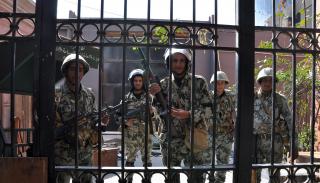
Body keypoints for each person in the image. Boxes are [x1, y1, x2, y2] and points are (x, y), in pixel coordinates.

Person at [149, 46, 212, 183]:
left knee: (197, 178)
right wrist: (154, 96)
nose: (178, 64)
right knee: (171, 179)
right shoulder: (163, 85)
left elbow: (208, 110)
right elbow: (157, 112)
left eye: (182, 61)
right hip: (170, 140)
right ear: (169, 62)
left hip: (194, 138)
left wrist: (189, 114)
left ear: (187, 63)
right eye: (174, 60)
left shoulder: (199, 82)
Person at [54, 54, 108, 183]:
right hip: (64, 152)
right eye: (73, 69)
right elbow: (49, 122)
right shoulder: (56, 93)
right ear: (66, 71)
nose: (77, 73)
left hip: (85, 152)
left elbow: (93, 119)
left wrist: (101, 123)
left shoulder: (89, 94)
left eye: (80, 70)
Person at [253, 67, 298, 182]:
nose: (267, 83)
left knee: (274, 175)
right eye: (265, 80)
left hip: (274, 142)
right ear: (260, 81)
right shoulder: (252, 98)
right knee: (253, 175)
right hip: (255, 140)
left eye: (270, 80)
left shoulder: (280, 99)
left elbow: (290, 121)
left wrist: (293, 145)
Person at [122, 69, 160, 183]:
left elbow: (157, 117)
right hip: (131, 135)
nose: (138, 83)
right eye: (135, 80)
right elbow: (119, 117)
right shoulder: (126, 99)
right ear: (132, 82)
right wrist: (125, 123)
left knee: (147, 160)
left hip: (146, 133)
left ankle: (147, 180)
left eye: (140, 80)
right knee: (129, 160)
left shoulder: (150, 98)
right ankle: (128, 180)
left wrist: (152, 112)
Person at [206, 71, 236, 183]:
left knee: (222, 164)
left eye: (222, 83)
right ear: (213, 84)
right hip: (209, 134)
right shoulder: (207, 96)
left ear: (225, 83)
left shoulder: (231, 96)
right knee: (207, 163)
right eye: (217, 83)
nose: (219, 85)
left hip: (226, 135)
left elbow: (235, 111)